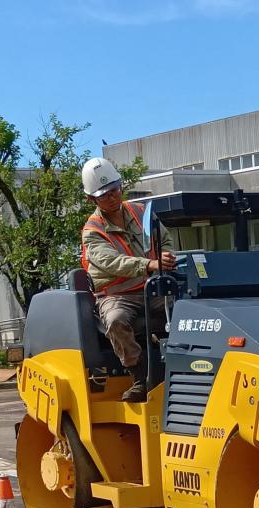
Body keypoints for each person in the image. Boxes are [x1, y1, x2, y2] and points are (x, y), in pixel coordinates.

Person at [80, 157, 176, 402]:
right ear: (91, 199)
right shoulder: (92, 231)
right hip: (116, 296)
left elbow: (164, 239)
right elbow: (112, 262)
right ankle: (140, 376)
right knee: (116, 321)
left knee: (186, 309)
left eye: (114, 190)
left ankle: (184, 364)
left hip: (151, 289)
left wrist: (165, 256)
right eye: (104, 195)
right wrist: (149, 264)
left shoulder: (141, 212)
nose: (112, 197)